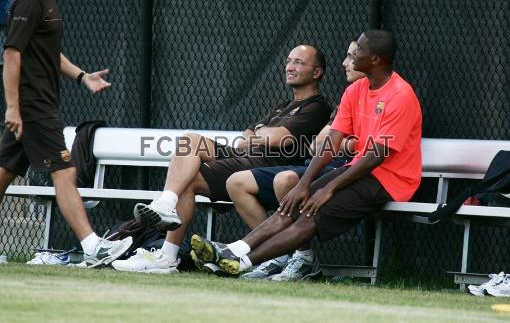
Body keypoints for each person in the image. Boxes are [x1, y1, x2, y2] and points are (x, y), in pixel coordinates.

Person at [190, 30, 423, 278]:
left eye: (359, 51)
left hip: (389, 180)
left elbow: (375, 157)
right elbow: (331, 143)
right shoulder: (356, 91)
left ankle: (242, 261)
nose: (352, 57)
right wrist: (304, 184)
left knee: (309, 217)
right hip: (357, 170)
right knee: (293, 203)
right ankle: (233, 251)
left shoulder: (401, 95)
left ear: (375, 59)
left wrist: (328, 189)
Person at [111, 44, 332, 274]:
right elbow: (245, 137)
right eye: (288, 61)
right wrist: (259, 136)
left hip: (268, 167)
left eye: (298, 62)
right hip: (245, 159)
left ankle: (276, 251)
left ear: (317, 72)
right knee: (190, 142)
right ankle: (167, 245)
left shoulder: (317, 106)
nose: (290, 67)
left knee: (190, 172)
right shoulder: (283, 106)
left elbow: (278, 139)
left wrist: (258, 136)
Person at [1, 0, 132, 267]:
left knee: (3, 173)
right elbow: (11, 54)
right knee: (64, 170)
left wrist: (83, 77)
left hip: (39, 105)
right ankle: (92, 246)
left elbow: (50, 53)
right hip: (34, 108)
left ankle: (91, 245)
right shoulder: (29, 1)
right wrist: (12, 107)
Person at [223, 41, 365, 281]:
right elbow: (317, 144)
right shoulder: (350, 94)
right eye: (289, 61)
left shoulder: (320, 105)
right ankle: (276, 256)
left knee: (286, 179)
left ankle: (297, 259)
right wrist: (349, 142)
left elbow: (375, 149)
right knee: (233, 180)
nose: (345, 63)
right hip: (318, 163)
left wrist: (348, 144)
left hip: (349, 171)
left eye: (352, 57)